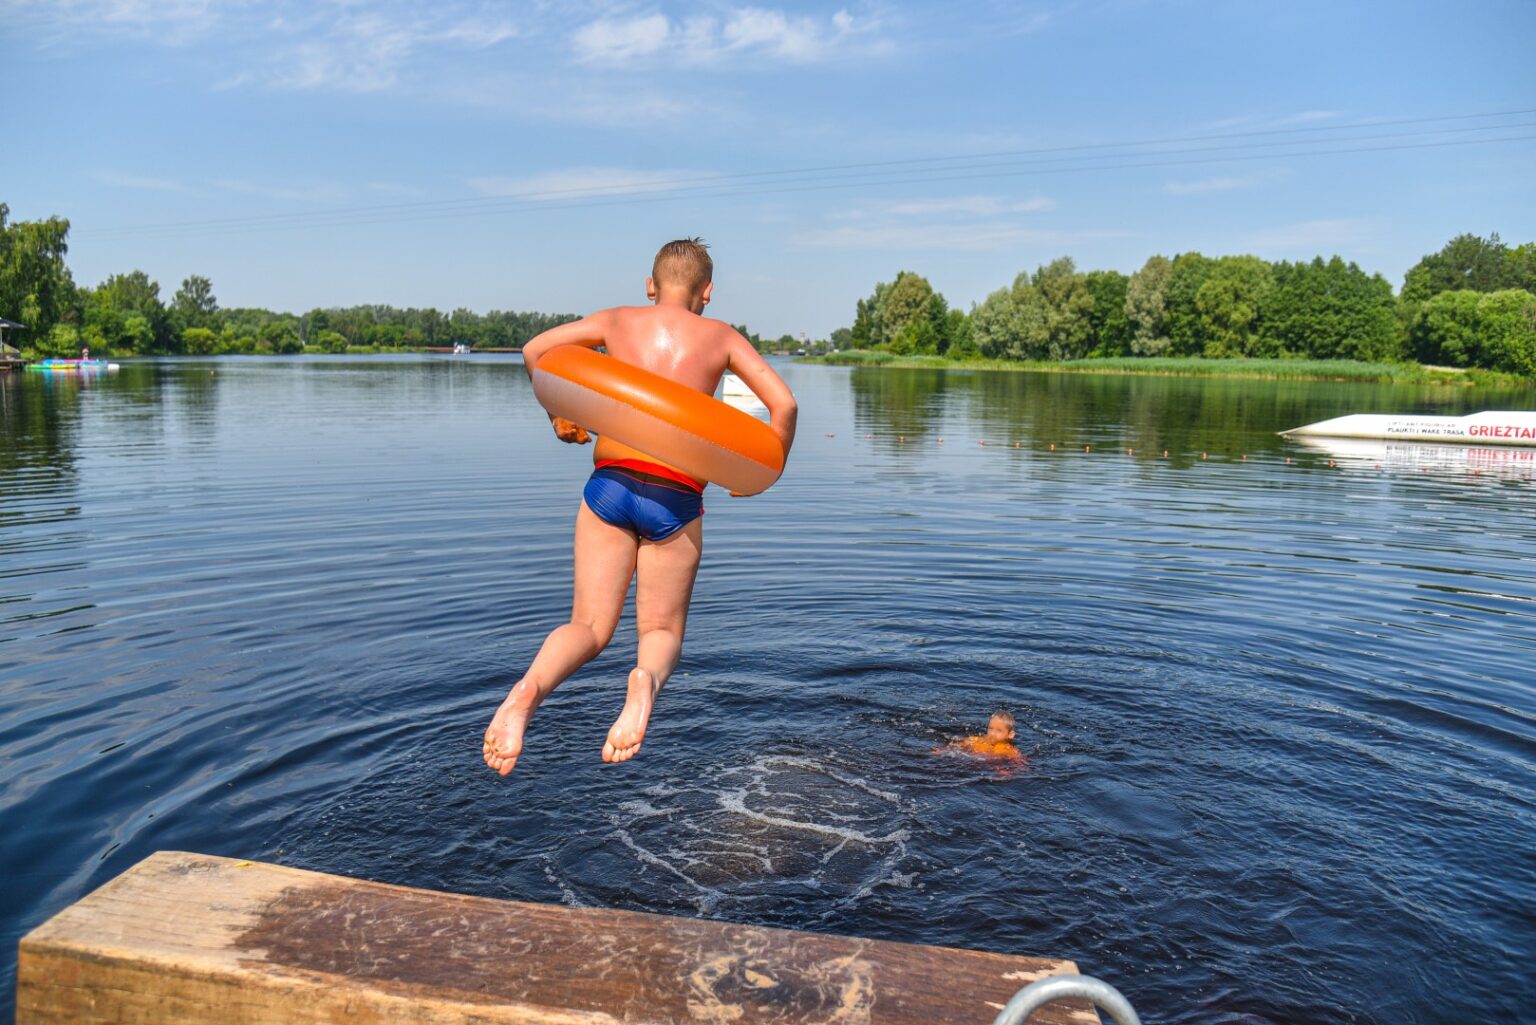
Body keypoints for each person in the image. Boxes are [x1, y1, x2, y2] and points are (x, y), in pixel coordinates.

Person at [482, 239, 798, 776]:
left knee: (587, 626)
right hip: (676, 496)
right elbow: (783, 404)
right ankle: (643, 684)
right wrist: (761, 476)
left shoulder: (616, 319)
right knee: (659, 632)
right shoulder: (721, 335)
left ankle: (527, 691)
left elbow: (535, 351)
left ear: (650, 285)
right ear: (707, 293)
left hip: (611, 486)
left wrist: (560, 416)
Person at [938, 710, 1024, 763]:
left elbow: (1019, 764)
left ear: (1010, 735)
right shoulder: (979, 740)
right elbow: (960, 743)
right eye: (990, 728)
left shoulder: (1010, 750)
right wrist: (943, 750)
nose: (993, 733)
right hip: (969, 760)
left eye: (999, 730)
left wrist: (1005, 772)